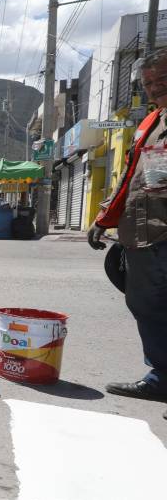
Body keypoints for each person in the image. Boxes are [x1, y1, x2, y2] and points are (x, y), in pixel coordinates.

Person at [87, 45, 167, 421]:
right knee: (145, 304)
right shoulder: (150, 123)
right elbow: (129, 178)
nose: (155, 88)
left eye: (163, 79)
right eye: (149, 83)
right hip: (143, 231)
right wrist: (105, 218)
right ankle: (161, 378)